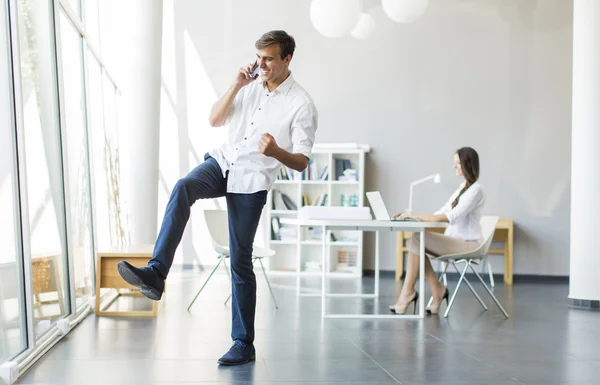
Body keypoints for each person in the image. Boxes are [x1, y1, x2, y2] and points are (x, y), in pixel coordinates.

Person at [116, 30, 318, 365]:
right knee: (183, 186)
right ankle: (156, 272)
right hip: (223, 162)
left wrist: (277, 151)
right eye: (259, 57)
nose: (262, 65)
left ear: (287, 59)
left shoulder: (301, 104)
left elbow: (302, 161)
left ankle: (243, 343)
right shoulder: (249, 87)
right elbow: (214, 119)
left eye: (269, 58)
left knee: (240, 259)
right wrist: (236, 85)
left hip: (252, 180)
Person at [390, 147, 484, 315]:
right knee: (414, 241)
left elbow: (452, 216)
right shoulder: (463, 187)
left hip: (469, 244)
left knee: (416, 239)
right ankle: (435, 290)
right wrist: (414, 217)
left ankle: (410, 292)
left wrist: (416, 215)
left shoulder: (476, 190)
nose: (454, 167)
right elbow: (443, 211)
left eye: (457, 163)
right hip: (455, 241)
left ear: (467, 164)